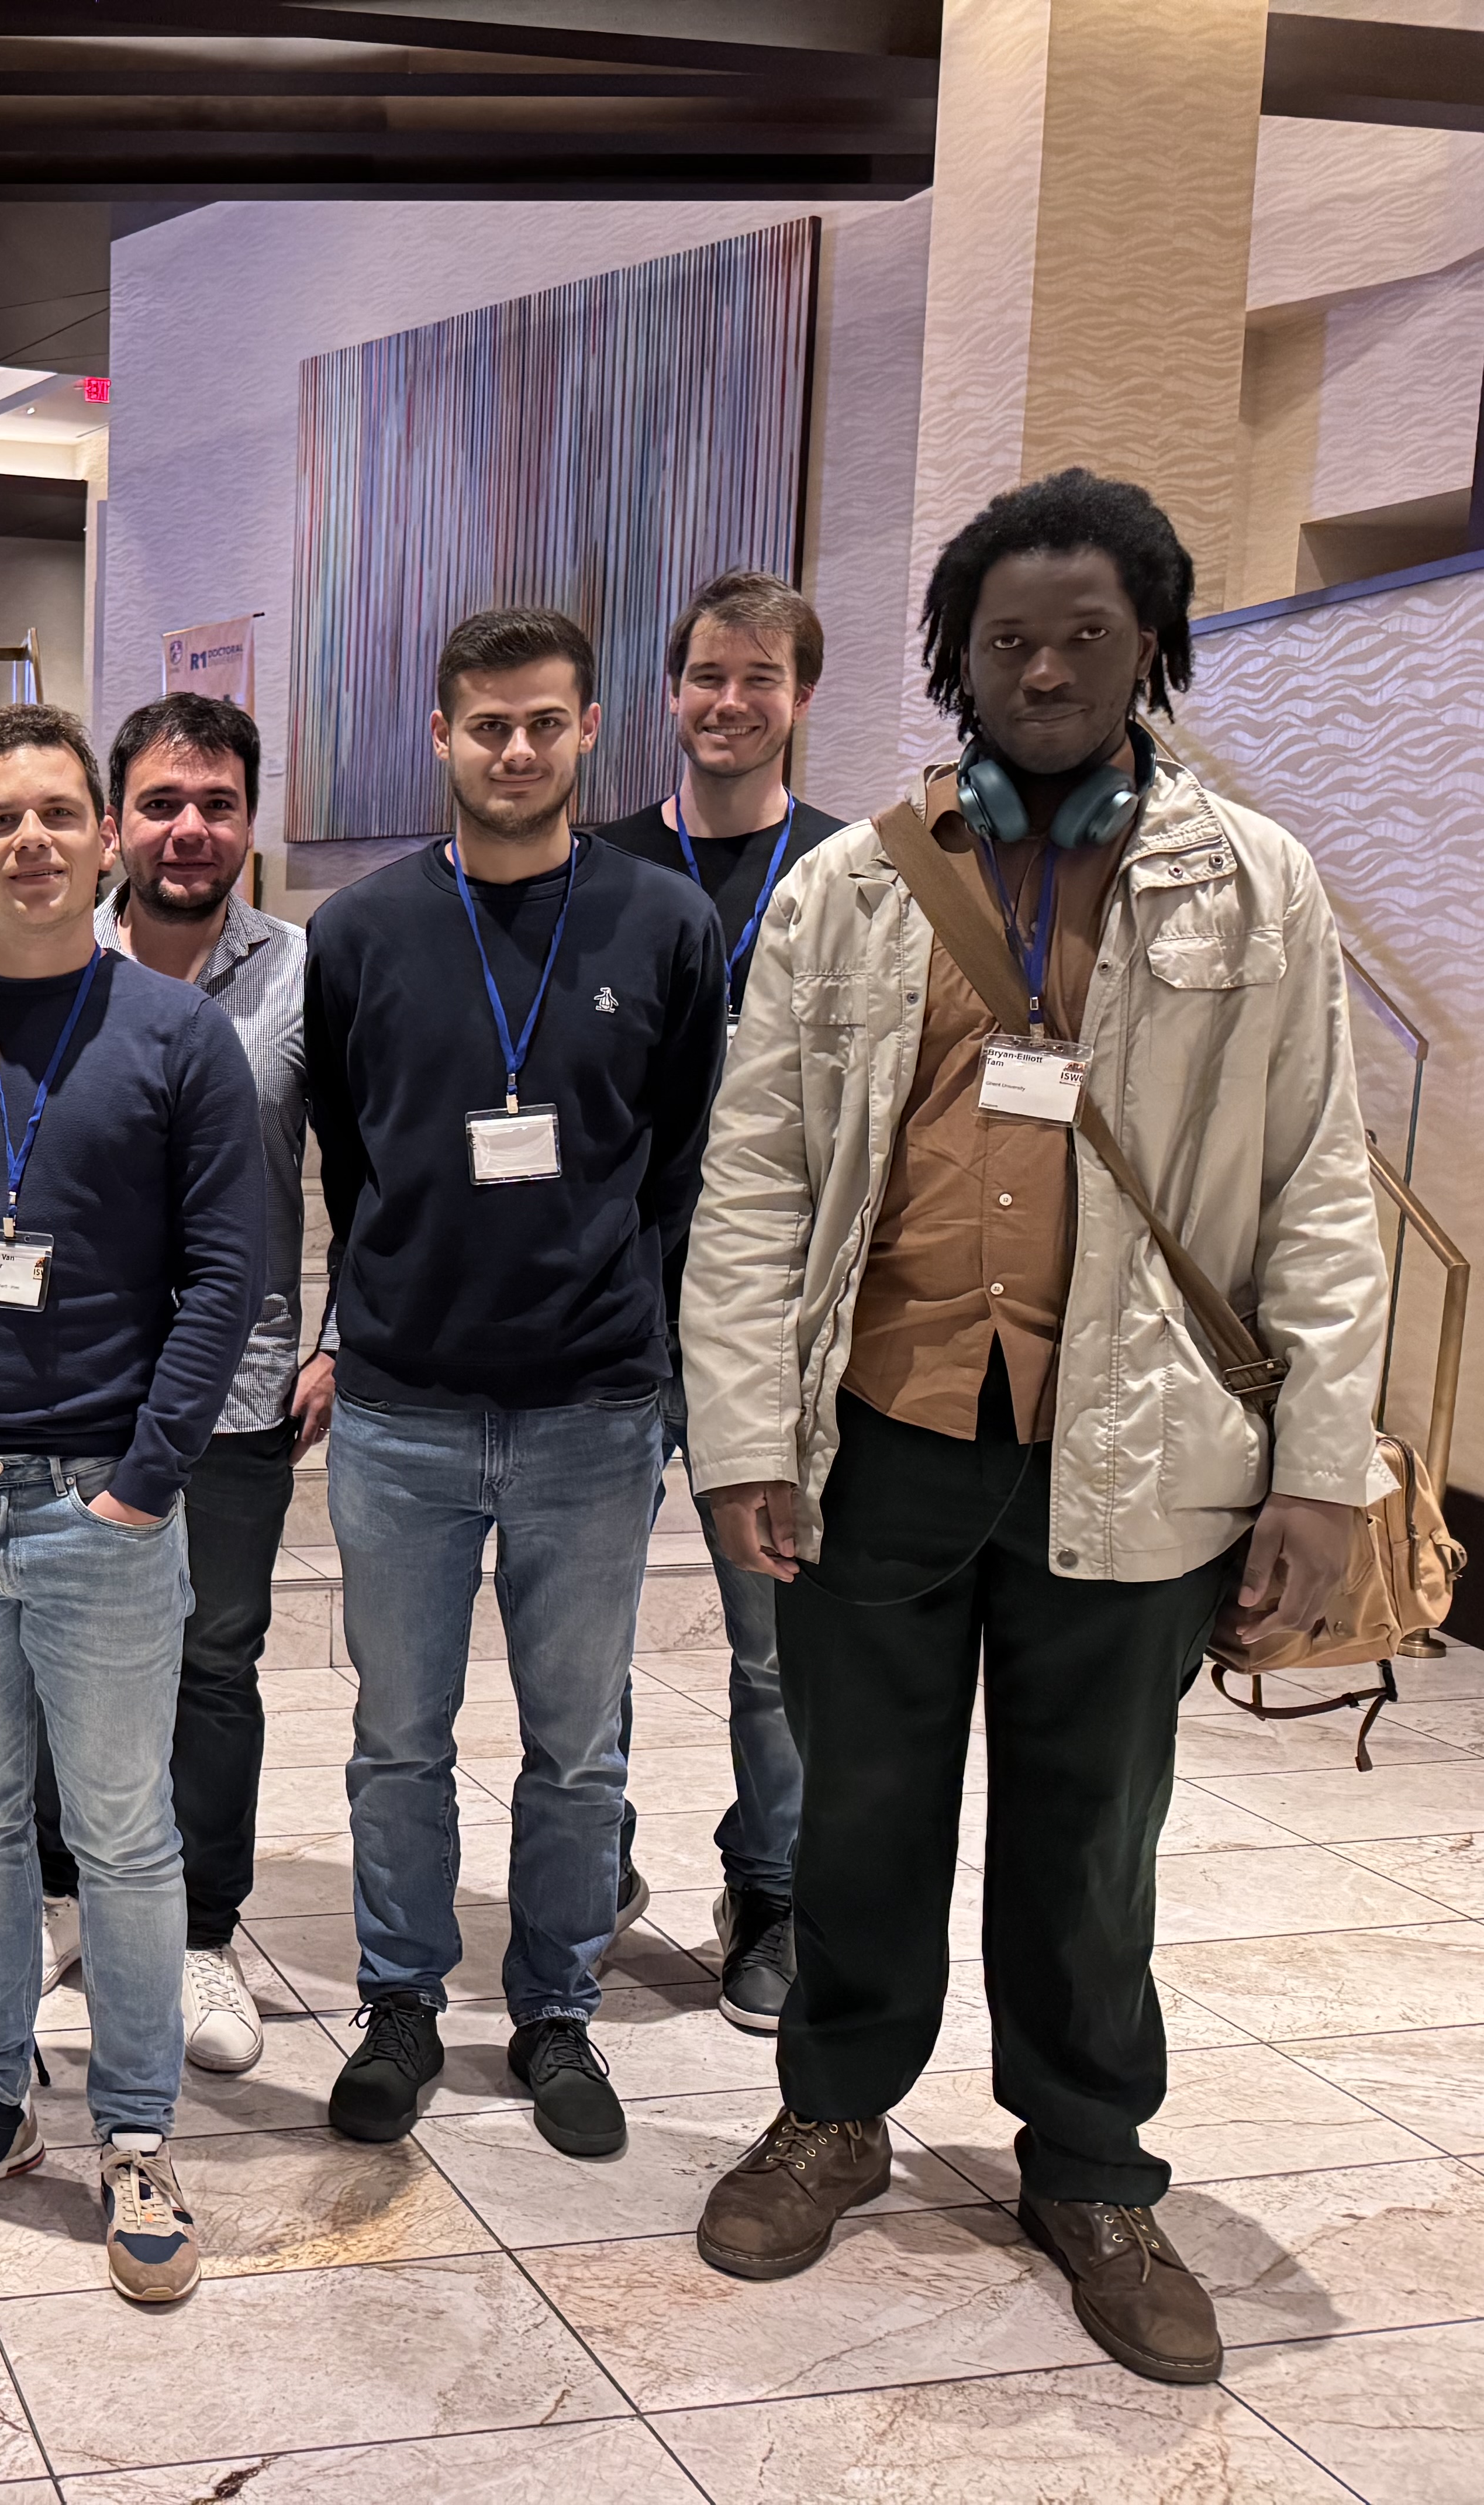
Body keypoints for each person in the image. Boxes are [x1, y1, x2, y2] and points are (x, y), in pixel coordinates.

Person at [684, 471, 1388, 2386]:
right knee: (866, 1806)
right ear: (955, 660)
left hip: (1137, 1445)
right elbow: (754, 1177)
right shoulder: (852, 889)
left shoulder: (1252, 883)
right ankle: (833, 2106)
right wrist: (747, 1431)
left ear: (1150, 639)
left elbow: (1320, 1188)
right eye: (1010, 640)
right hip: (886, 1428)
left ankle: (1089, 2164)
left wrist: (1323, 1472)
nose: (1049, 667)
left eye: (1087, 633)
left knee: (1093, 1838)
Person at [0, 701, 262, 2306]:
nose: (30, 840)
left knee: (129, 1829)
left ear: (102, 839)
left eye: (57, 814)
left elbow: (226, 1277)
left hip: (100, 1505)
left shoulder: (176, 1034)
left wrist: (148, 1481)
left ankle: (137, 2129)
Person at [306, 609, 722, 2164]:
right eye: (488, 725)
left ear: (592, 729)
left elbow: (684, 1162)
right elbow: (348, 1156)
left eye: (546, 723)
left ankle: (555, 2011)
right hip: (405, 1406)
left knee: (578, 1744)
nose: (517, 750)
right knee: (398, 1734)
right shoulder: (361, 933)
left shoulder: (663, 926)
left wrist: (667, 1362)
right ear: (440, 736)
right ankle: (403, 2002)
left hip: (592, 1408)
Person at [31, 691, 327, 2078]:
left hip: (241, 1385)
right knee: (51, 1652)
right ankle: (59, 1907)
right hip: (65, 1379)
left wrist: (346, 1338)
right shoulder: (47, 963)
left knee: (213, 1663)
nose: (187, 829)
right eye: (160, 803)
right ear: (112, 826)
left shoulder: (306, 977)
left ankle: (201, 1930)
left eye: (214, 804)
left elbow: (376, 1175)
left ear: (249, 823)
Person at [588, 569, 847, 2033]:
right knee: (591, 1626)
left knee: (774, 1642)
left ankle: (772, 1888)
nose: (730, 703)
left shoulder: (855, 876)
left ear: (803, 698)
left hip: (782, 1328)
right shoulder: (603, 867)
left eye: (761, 678)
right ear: (668, 695)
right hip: (622, 1307)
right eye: (706, 676)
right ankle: (592, 1861)